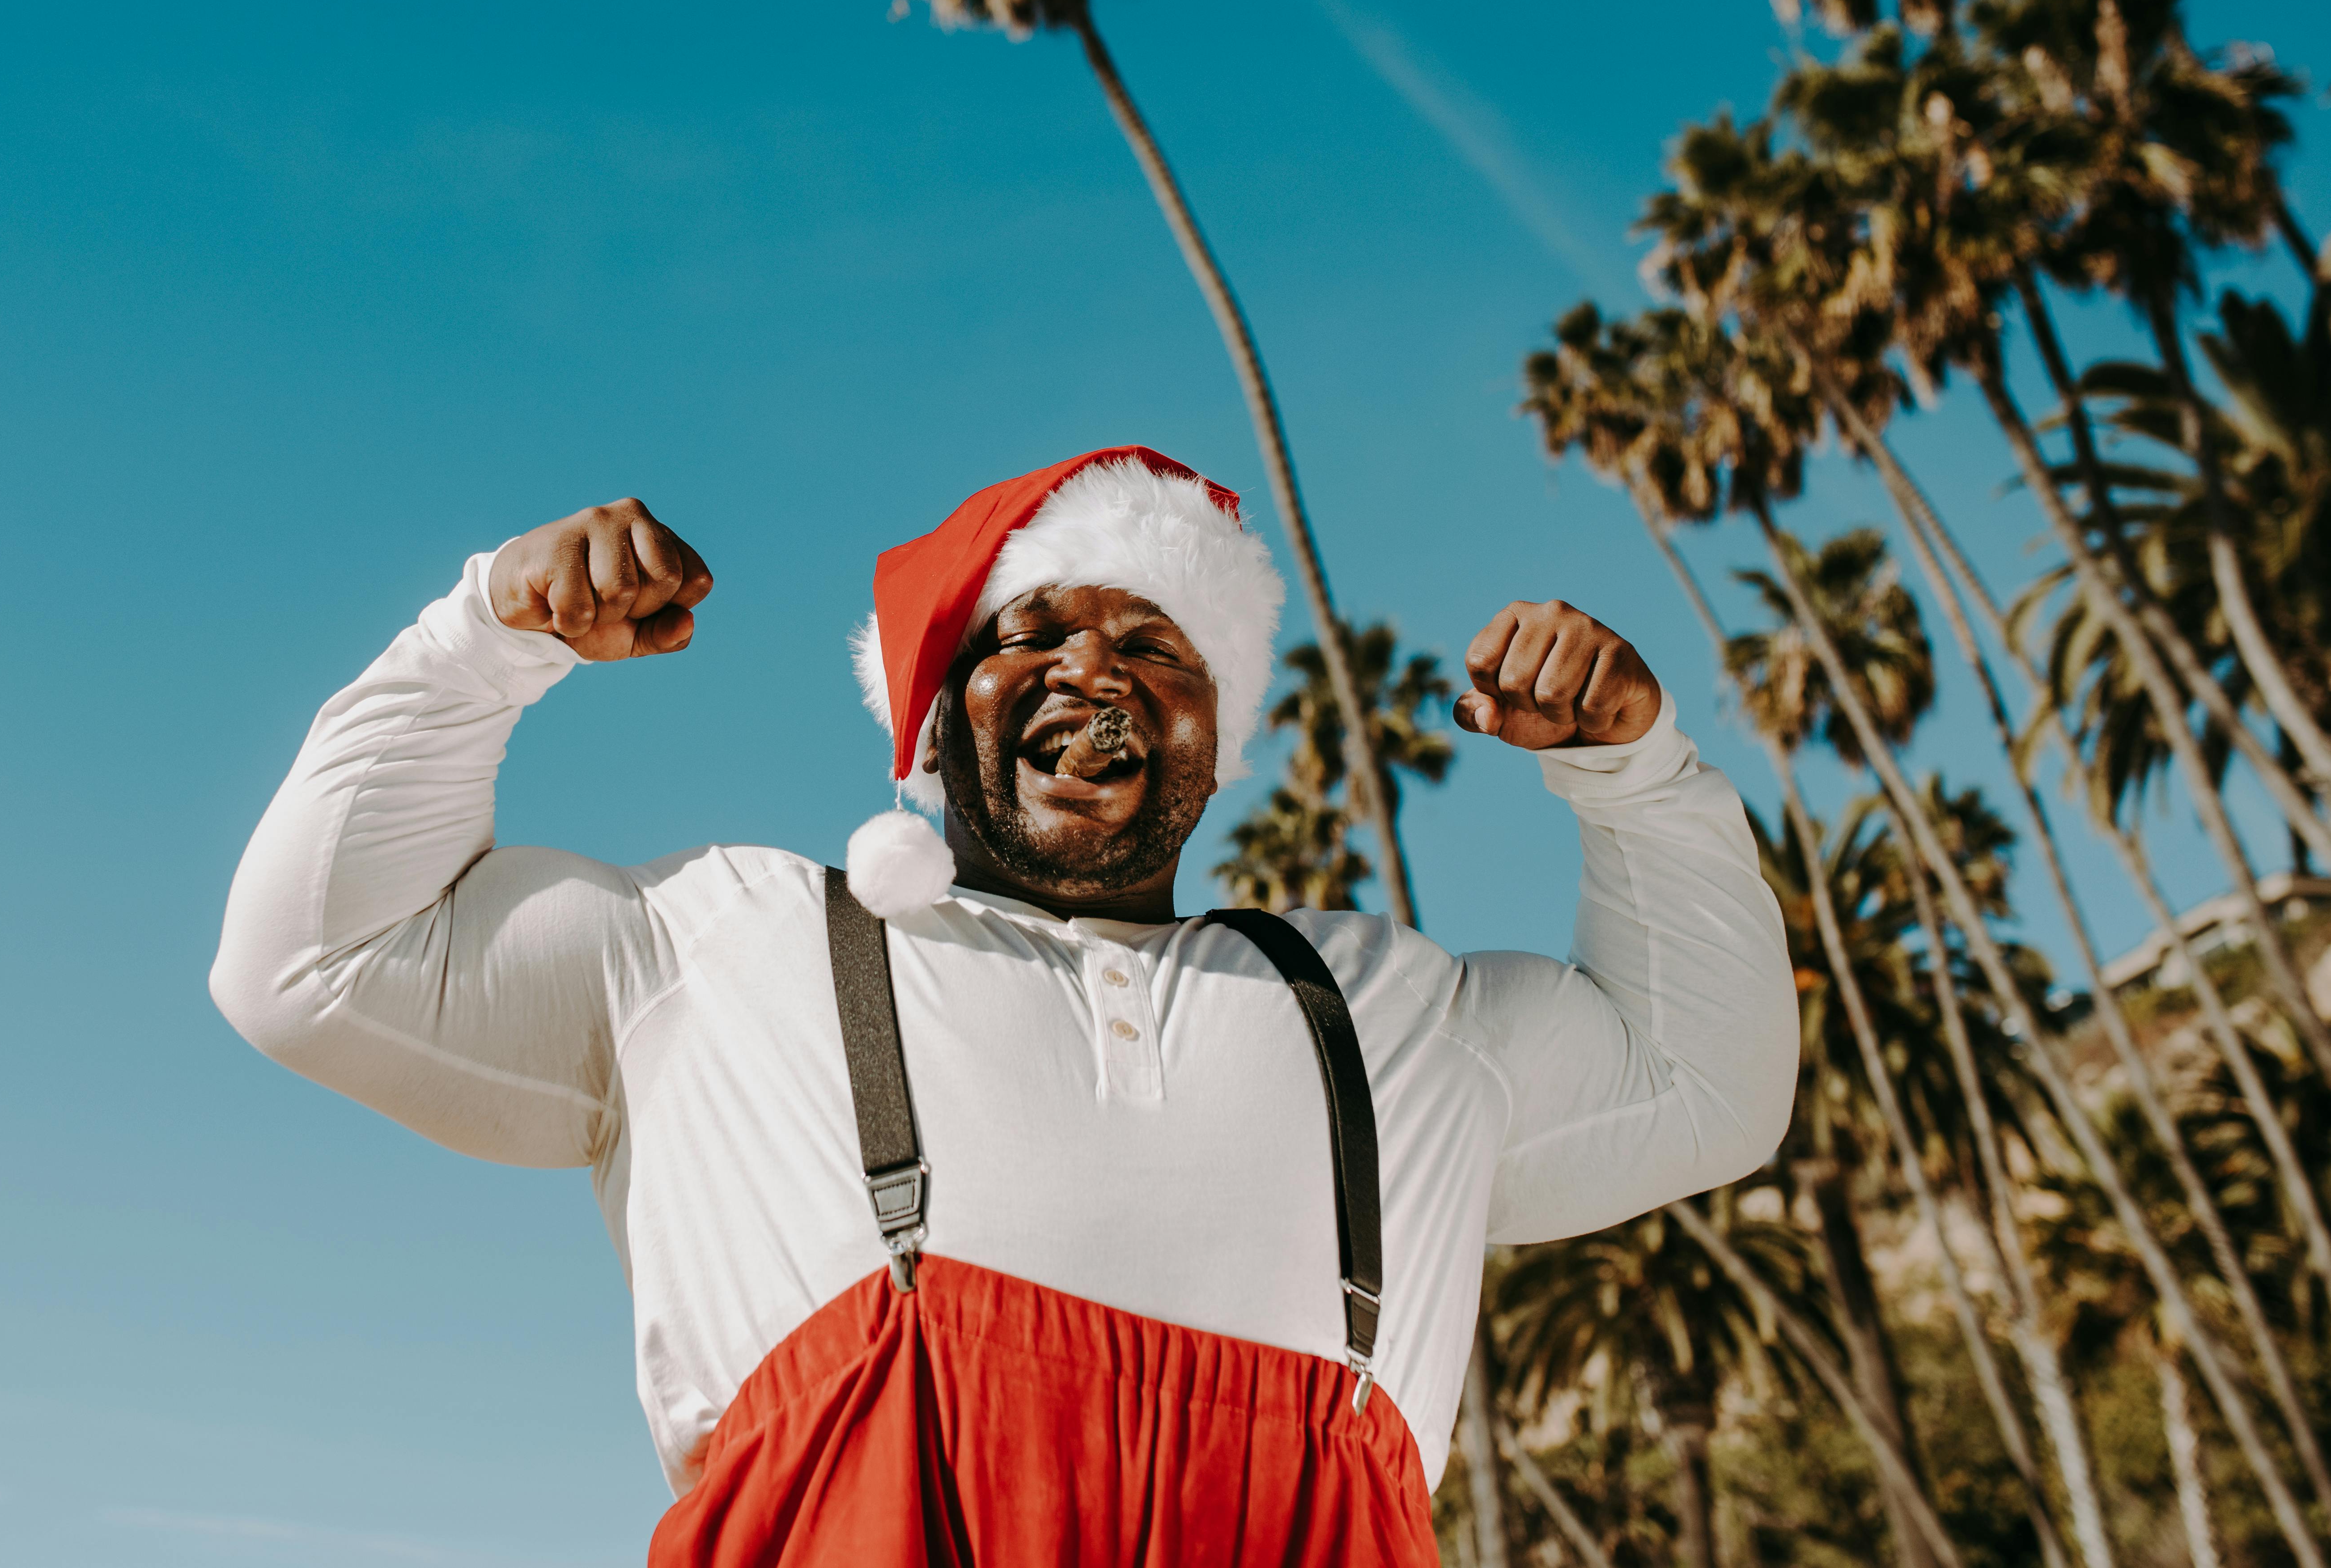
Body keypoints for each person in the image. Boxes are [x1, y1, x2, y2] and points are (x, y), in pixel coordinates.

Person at [212, 447, 1795, 1566]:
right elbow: (309, 965)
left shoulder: (1385, 1007)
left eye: (1151, 641)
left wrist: (1634, 773)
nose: (1088, 667)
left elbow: (1707, 1081)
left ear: (1216, 726)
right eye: (1025, 631)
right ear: (932, 717)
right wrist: (480, 639)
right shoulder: (727, 939)